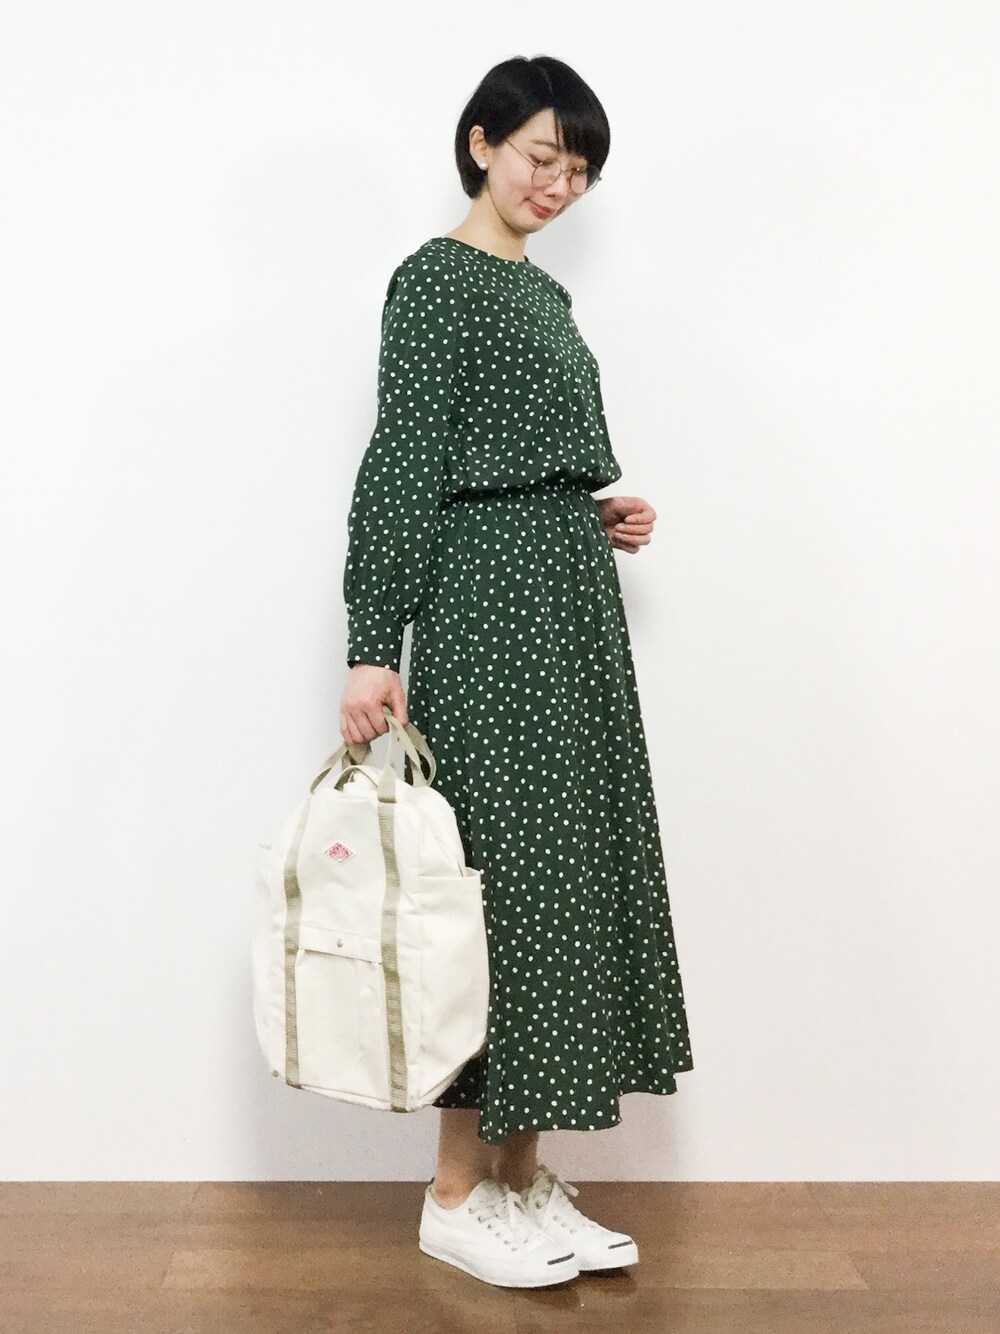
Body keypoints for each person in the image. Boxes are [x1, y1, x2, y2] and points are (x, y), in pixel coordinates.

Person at [340, 54, 693, 1288]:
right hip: (490, 620)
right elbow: (404, 462)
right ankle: (452, 1193)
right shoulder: (436, 280)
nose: (559, 182)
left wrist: (580, 512)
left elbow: (502, 454)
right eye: (543, 154)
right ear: (481, 142)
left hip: (561, 598)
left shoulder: (540, 290)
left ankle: (517, 1178)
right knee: (493, 892)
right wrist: (371, 642)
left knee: (565, 880)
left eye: (579, 168)